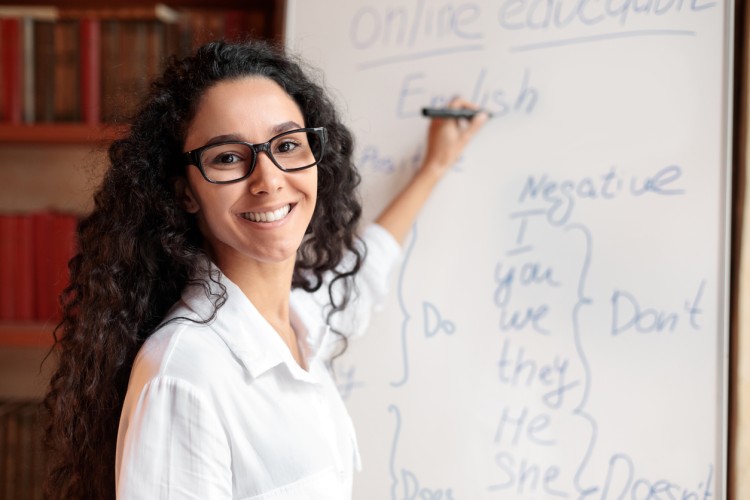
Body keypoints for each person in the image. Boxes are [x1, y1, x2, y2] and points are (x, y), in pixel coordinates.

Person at [42, 40, 487, 499]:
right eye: (229, 157)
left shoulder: (299, 320)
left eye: (288, 145)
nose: (269, 179)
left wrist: (434, 167)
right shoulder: (186, 374)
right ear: (186, 192)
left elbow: (364, 275)